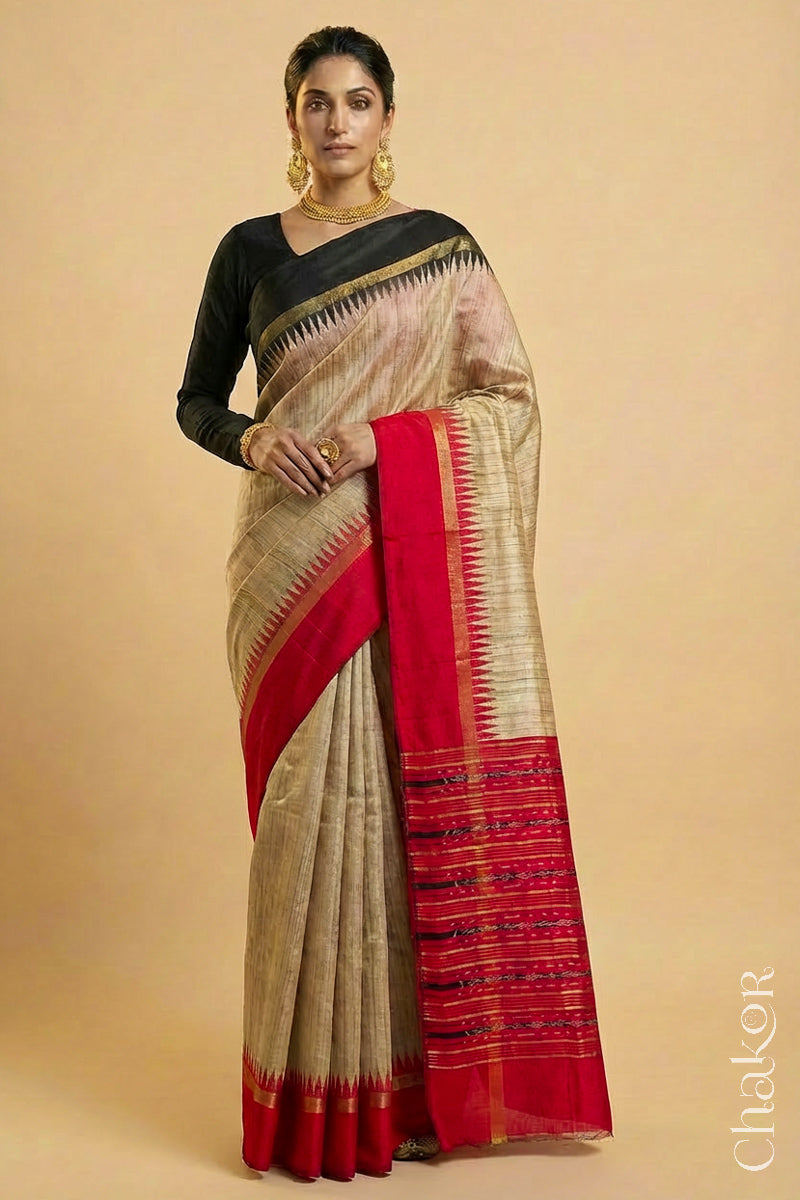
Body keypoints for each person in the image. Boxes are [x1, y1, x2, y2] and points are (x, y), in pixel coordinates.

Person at [176, 25, 613, 1183]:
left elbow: (506, 401)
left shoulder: (440, 249)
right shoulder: (246, 252)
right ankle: (312, 1104)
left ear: (386, 119)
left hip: (400, 550)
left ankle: (411, 1095)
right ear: (290, 118)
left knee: (397, 813)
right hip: (288, 564)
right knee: (307, 825)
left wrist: (384, 442)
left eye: (357, 101)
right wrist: (252, 437)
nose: (336, 123)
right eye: (316, 102)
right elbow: (195, 400)